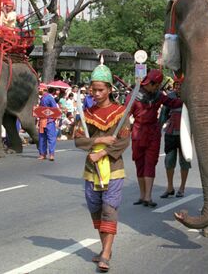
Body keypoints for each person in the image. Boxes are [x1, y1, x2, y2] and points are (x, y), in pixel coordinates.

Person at [74, 63, 131, 273]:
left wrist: (102, 152)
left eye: (101, 90)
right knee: (96, 211)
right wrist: (99, 142)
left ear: (109, 89)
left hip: (113, 168)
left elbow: (124, 140)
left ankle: (106, 253)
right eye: (93, 89)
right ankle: (104, 248)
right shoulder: (87, 113)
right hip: (91, 170)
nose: (96, 94)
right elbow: (78, 139)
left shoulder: (120, 112)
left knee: (109, 209)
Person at [128, 69, 182, 207]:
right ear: (151, 83)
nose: (158, 88)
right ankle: (142, 195)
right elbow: (124, 115)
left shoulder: (158, 95)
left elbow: (173, 103)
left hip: (153, 132)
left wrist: (186, 100)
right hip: (138, 132)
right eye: (156, 85)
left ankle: (148, 196)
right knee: (139, 163)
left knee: (150, 163)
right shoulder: (133, 97)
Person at [159, 77, 190, 198]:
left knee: (184, 162)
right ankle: (170, 187)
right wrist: (158, 129)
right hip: (171, 134)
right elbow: (163, 115)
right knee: (169, 161)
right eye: (176, 85)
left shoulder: (189, 97)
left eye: (180, 85)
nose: (178, 87)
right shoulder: (170, 97)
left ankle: (182, 188)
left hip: (185, 135)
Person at [38, 86, 59, 161]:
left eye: (39, 89)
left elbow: (55, 110)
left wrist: (53, 119)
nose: (38, 90)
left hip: (48, 121)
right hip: (45, 120)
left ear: (43, 90)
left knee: (48, 138)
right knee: (45, 138)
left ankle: (49, 154)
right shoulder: (43, 98)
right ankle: (45, 154)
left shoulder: (48, 98)